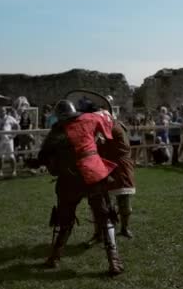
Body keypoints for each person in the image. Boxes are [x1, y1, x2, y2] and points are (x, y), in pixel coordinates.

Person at [32, 99, 123, 275]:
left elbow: (43, 155)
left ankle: (55, 257)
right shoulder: (89, 119)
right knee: (104, 217)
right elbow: (109, 121)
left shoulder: (57, 130)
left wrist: (38, 162)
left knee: (65, 219)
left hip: (70, 178)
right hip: (94, 173)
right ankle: (114, 261)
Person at [0, 107, 19, 177]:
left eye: (3, 111)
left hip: (8, 140)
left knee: (11, 156)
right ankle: (0, 171)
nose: (2, 112)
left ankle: (14, 171)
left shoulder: (10, 118)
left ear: (5, 112)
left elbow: (17, 126)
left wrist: (13, 135)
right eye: (0, 111)